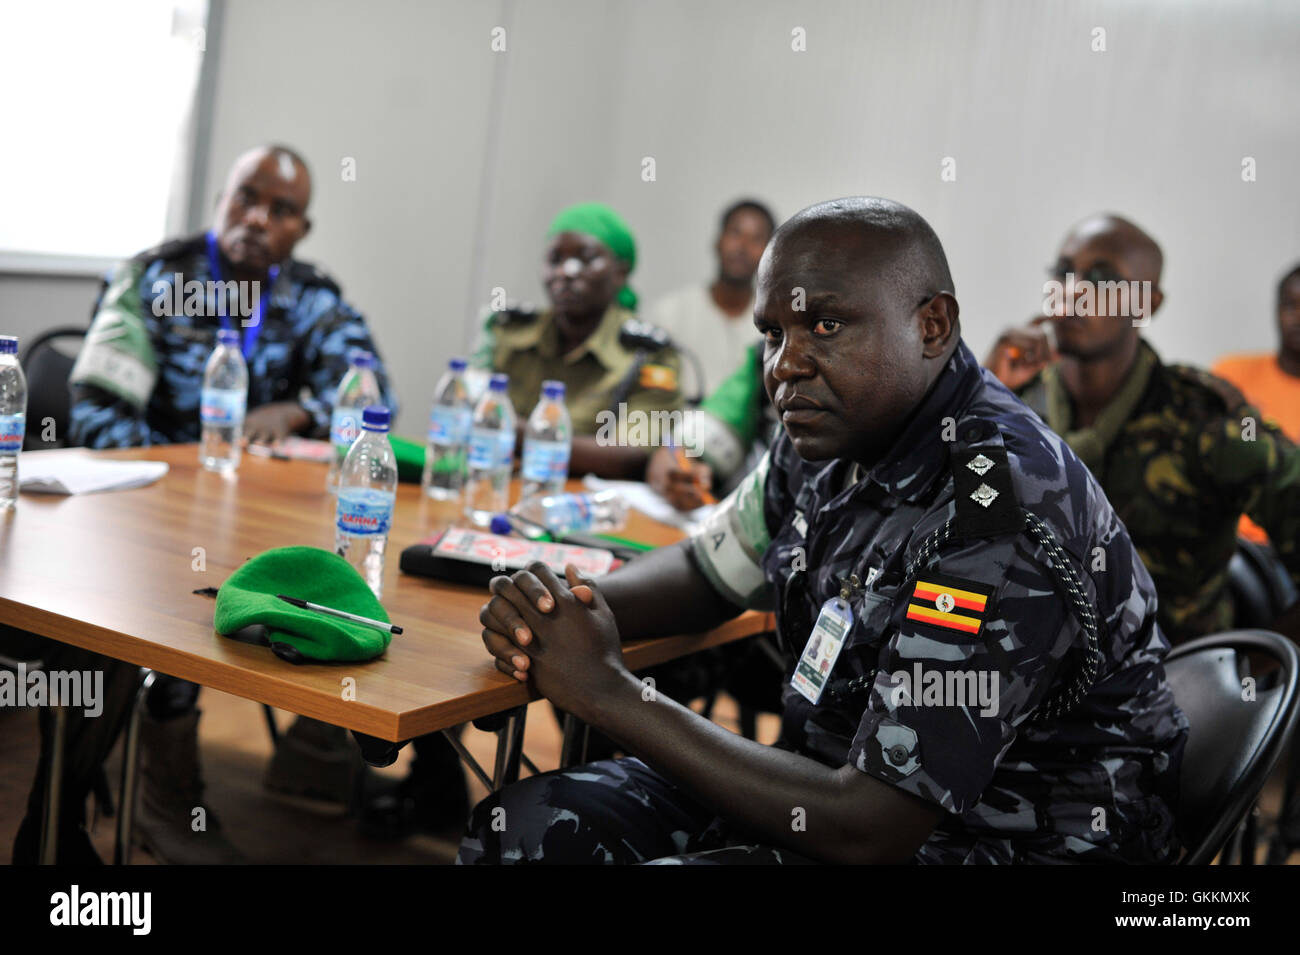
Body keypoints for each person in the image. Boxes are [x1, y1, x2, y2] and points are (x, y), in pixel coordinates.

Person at [462, 197, 1187, 865]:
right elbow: (709, 571)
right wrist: (559, 615)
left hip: (997, 840)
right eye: (773, 333)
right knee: (525, 827)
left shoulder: (995, 510)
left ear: (931, 325)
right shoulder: (831, 427)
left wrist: (609, 692)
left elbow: (872, 822)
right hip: (829, 791)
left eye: (826, 326)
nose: (786, 365)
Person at [50, 145, 463, 862]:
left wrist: (298, 409)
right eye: (246, 197)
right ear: (221, 199)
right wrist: (173, 483)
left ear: (301, 229)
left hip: (260, 512)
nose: (256, 219)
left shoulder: (312, 294)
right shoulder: (154, 276)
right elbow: (96, 409)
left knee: (367, 559)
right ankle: (162, 795)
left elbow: (374, 397)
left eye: (280, 210)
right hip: (151, 512)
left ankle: (330, 745)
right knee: (176, 579)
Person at [985, 214, 1300, 644]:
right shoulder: (1015, 402)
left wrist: (1260, 668)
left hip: (1169, 684)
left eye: (1102, 278)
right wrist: (979, 394)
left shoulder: (1204, 421)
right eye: (1064, 273)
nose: (1074, 291)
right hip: (1029, 679)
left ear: (1147, 304)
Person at [473, 202, 683, 479]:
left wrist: (517, 432)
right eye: (555, 259)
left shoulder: (648, 354)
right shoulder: (510, 334)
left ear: (620, 273)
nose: (566, 272)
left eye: (586, 259)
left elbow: (631, 454)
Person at [645, 198, 776, 397]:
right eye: (735, 233)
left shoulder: (775, 323)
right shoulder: (669, 313)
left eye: (757, 239)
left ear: (770, 254)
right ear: (718, 241)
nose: (742, 247)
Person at [1211, 263, 1300, 545]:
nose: (1298, 317)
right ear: (1276, 311)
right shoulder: (1231, 376)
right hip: (1235, 546)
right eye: (1290, 305)